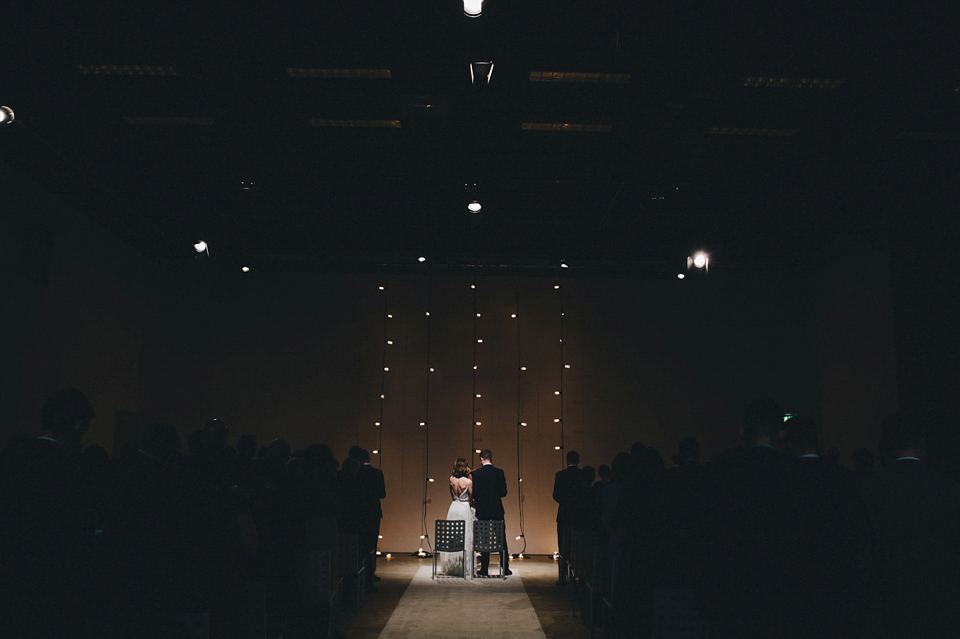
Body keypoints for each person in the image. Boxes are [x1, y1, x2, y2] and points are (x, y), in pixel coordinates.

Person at [470, 449, 511, 576]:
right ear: (491, 459)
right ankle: (505, 568)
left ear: (481, 459)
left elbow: (474, 494)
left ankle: (484, 568)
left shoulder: (476, 474)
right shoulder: (499, 472)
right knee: (501, 539)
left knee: (484, 539)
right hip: (497, 509)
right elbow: (504, 492)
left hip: (482, 509)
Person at [439, 458, 476, 577]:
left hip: (454, 507)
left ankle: (452, 565)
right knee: (465, 536)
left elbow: (452, 495)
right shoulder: (468, 482)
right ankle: (464, 566)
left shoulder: (452, 480)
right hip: (464, 508)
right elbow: (470, 498)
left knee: (453, 536)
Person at [553, 449, 581, 586]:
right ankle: (579, 577)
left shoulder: (560, 475)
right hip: (579, 515)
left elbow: (555, 495)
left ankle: (563, 578)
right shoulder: (582, 475)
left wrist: (565, 502)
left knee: (563, 547)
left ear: (567, 460)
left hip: (564, 514)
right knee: (579, 546)